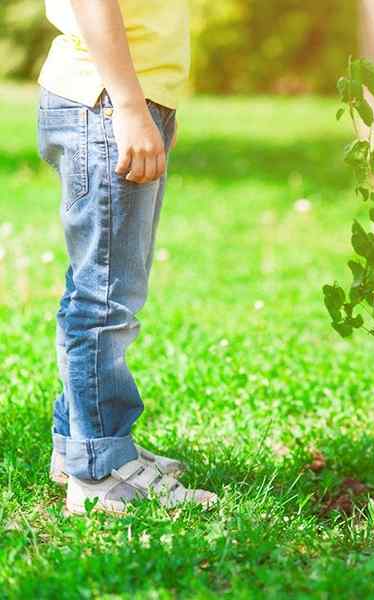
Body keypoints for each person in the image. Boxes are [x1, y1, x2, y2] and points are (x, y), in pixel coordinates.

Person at [37, 0, 217, 515]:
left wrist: (155, 106)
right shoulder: (119, 104)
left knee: (94, 286)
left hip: (117, 97)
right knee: (105, 296)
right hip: (107, 101)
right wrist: (133, 108)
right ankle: (97, 470)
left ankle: (81, 444)